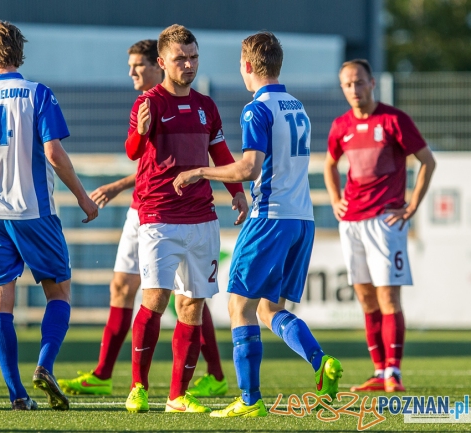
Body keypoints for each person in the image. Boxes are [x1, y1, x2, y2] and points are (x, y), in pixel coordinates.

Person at [174, 31, 343, 418]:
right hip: (302, 219)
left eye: (239, 65)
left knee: (239, 308)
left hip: (270, 217)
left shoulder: (257, 109)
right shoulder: (296, 106)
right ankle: (321, 362)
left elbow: (250, 168)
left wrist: (201, 171)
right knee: (269, 309)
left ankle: (250, 401)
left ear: (247, 66)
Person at [59, 40, 228, 398]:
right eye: (130, 66)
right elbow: (143, 156)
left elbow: (192, 158)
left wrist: (120, 183)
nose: (132, 72)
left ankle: (211, 372)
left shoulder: (194, 105)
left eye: (138, 65)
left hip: (173, 211)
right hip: (148, 211)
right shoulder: (147, 105)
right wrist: (127, 178)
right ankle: (108, 374)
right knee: (126, 289)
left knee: (188, 296)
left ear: (158, 64)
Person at [0, 20, 98, 411]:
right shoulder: (38, 94)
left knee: (0, 304)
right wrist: (83, 197)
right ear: (20, 53)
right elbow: (53, 154)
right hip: (34, 213)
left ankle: (17, 394)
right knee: (59, 292)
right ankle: (45, 365)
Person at [124, 25, 248, 414]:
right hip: (159, 216)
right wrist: (142, 132)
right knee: (156, 300)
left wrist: (238, 193)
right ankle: (138, 387)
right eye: (181, 58)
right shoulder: (149, 102)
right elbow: (132, 151)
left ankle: (178, 394)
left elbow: (222, 154)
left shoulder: (206, 106)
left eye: (194, 57)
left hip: (202, 217)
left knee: (192, 305)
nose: (189, 64)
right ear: (162, 62)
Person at [324, 59, 436, 393]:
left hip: (386, 221)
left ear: (373, 83)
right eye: (347, 84)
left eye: (359, 82)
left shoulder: (393, 119)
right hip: (352, 222)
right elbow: (330, 164)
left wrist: (413, 204)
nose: (354, 90)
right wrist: (334, 199)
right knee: (365, 298)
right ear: (342, 88)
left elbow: (427, 160)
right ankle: (378, 371)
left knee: (388, 297)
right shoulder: (340, 125)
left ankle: (394, 373)